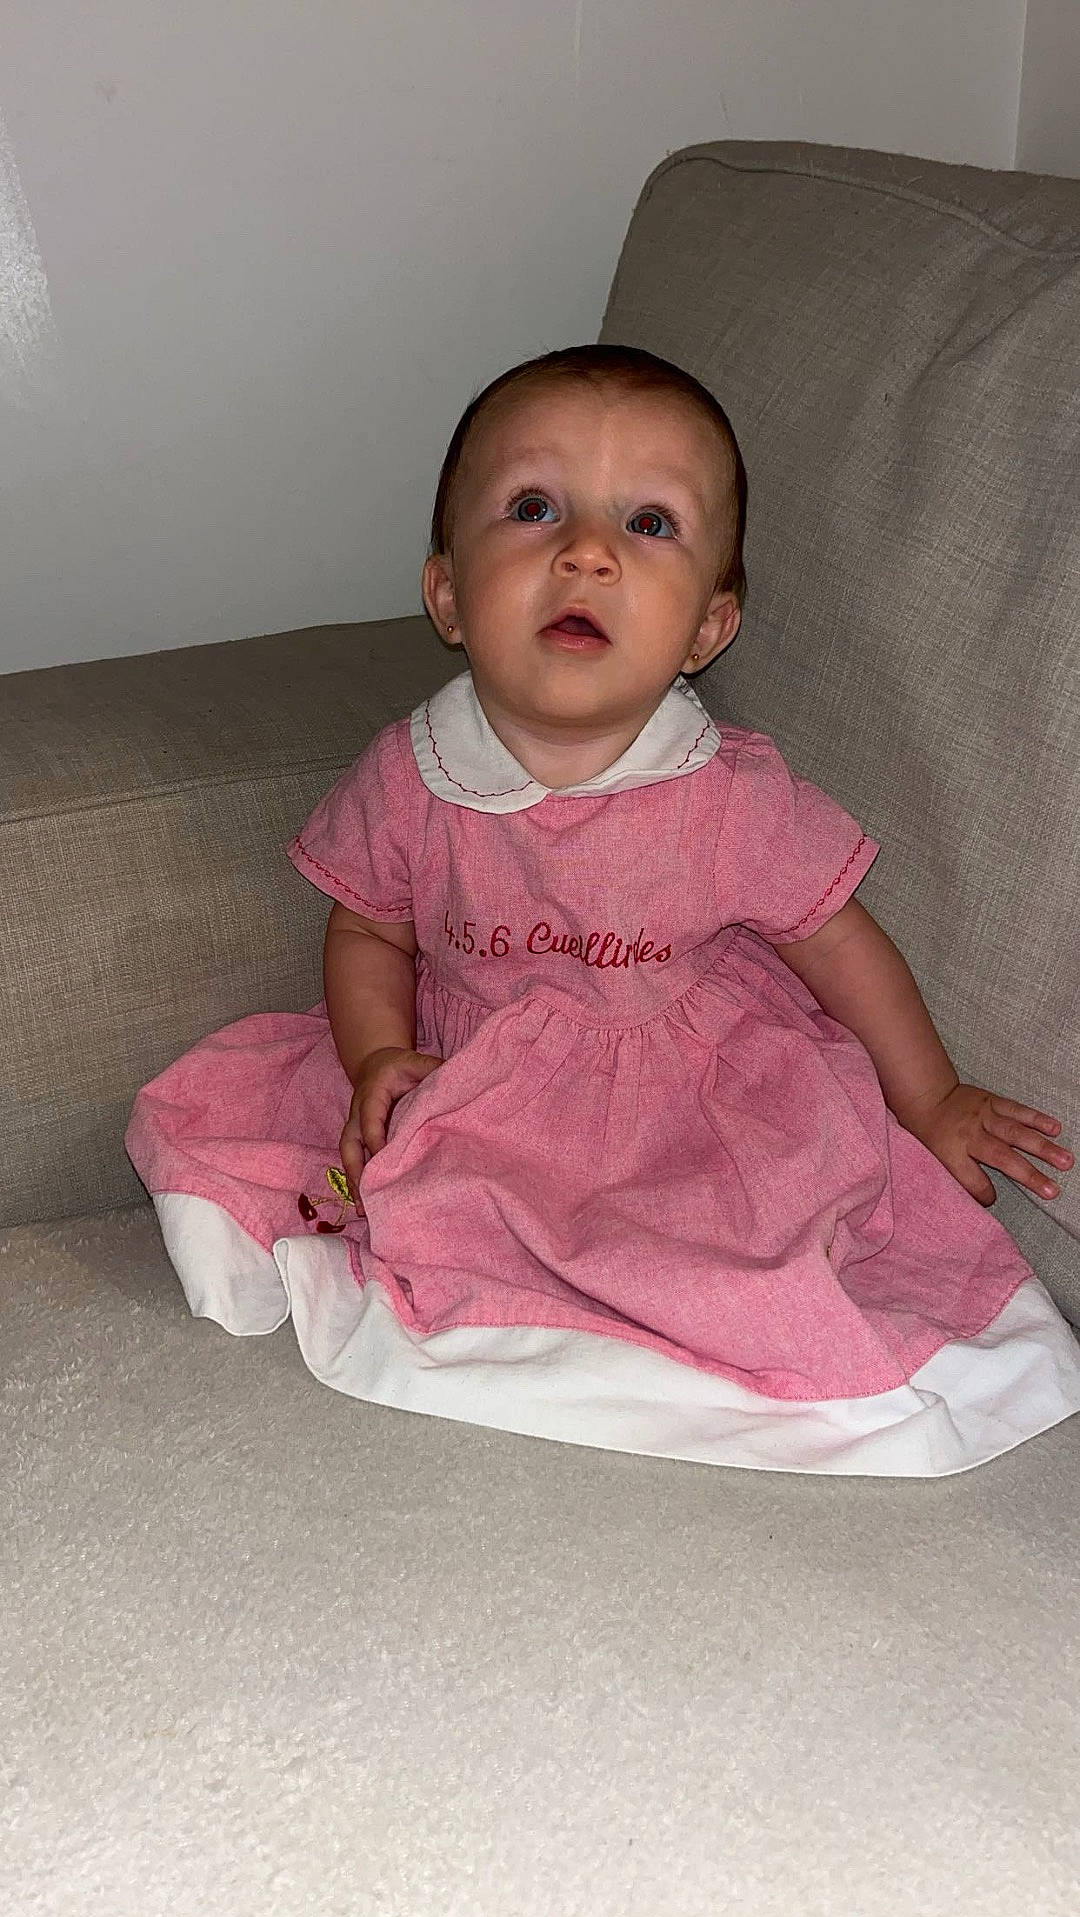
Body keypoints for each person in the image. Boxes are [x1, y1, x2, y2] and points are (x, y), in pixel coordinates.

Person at [125, 344, 1080, 1477]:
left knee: (721, 1248)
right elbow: (370, 924)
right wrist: (379, 1050)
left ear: (707, 631)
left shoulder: (727, 795)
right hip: (466, 1071)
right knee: (243, 1131)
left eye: (650, 525)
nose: (585, 552)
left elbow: (836, 938)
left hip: (685, 1096)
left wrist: (932, 1098)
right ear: (446, 594)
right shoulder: (412, 776)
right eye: (535, 508)